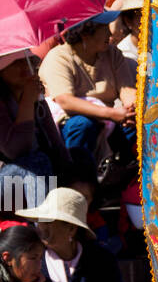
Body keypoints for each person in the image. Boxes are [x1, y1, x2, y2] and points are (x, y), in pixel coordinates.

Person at [0, 51, 72, 213]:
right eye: (15, 63)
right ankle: (43, 227)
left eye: (26, 60)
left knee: (80, 159)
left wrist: (72, 174)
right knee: (36, 161)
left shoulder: (33, 95)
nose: (25, 66)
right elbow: (18, 150)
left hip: (23, 178)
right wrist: (27, 100)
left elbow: (56, 146)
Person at [38, 13, 137, 172]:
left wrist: (132, 108)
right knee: (83, 125)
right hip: (72, 123)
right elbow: (65, 101)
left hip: (110, 121)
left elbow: (126, 89)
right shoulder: (59, 58)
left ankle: (122, 174)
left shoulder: (112, 54)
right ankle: (77, 177)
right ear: (85, 33)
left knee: (136, 121)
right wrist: (110, 113)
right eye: (104, 29)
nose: (110, 34)